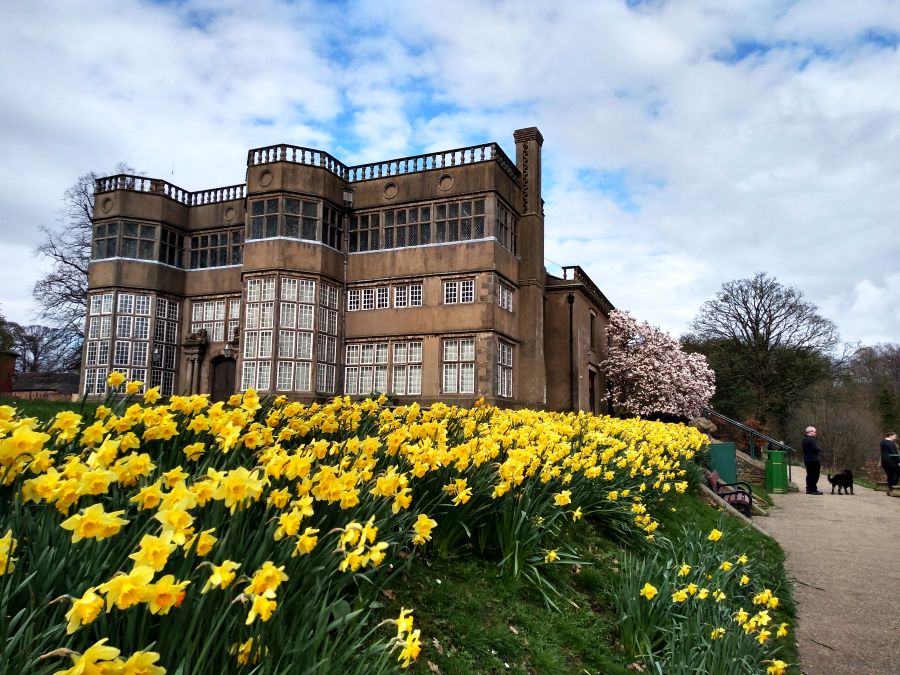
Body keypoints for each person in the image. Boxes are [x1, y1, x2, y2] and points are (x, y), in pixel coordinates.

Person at [801, 426, 823, 495]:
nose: (815, 433)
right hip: (813, 460)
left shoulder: (803, 440)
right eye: (815, 432)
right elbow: (815, 448)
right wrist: (820, 449)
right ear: (810, 432)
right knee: (815, 475)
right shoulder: (812, 439)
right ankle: (813, 490)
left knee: (809, 475)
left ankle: (808, 489)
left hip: (807, 460)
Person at [880, 431, 899, 495]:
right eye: (894, 436)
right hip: (891, 461)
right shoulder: (890, 443)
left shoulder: (882, 442)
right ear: (890, 435)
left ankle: (890, 489)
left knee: (889, 474)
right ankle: (892, 489)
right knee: (896, 473)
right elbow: (894, 454)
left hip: (884, 461)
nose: (895, 438)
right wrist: (899, 462)